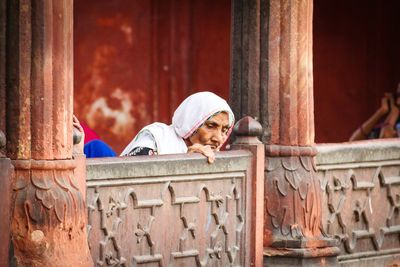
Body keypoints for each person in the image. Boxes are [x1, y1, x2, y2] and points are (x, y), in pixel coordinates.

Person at [121, 91, 235, 163]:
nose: (219, 139)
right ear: (192, 121)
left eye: (224, 130)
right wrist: (185, 162)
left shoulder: (214, 157)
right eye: (210, 126)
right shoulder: (158, 137)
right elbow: (135, 176)